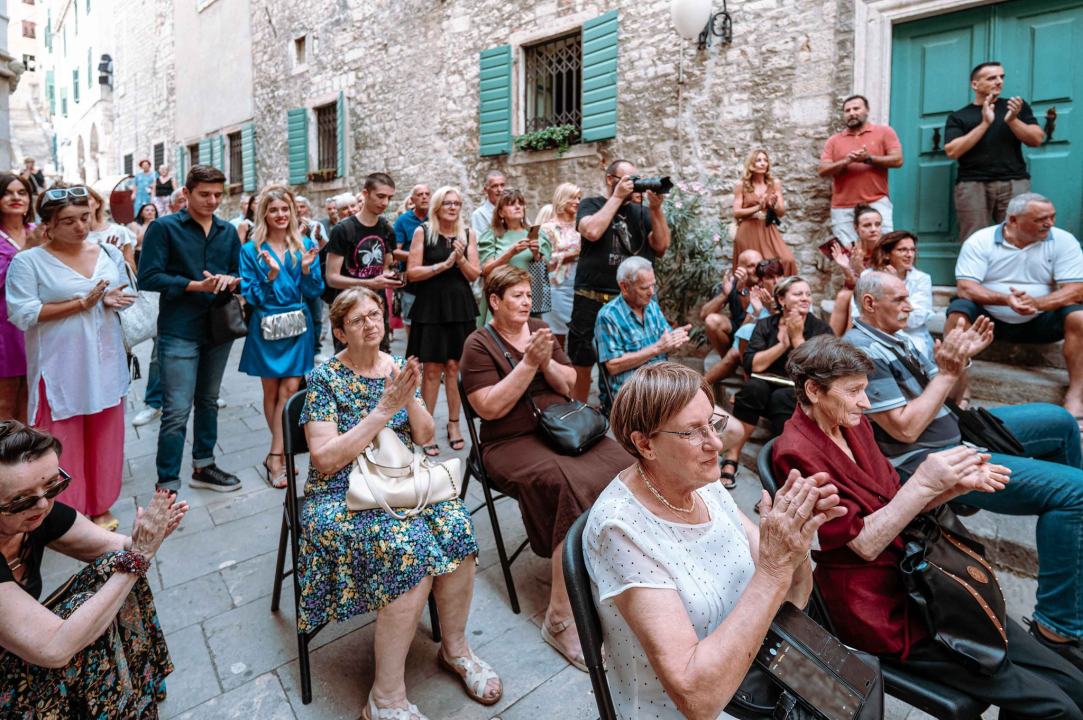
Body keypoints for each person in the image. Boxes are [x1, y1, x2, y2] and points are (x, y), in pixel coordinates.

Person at [773, 335, 1083, 714]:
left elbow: (898, 506)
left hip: (929, 582)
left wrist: (951, 487)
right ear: (813, 390)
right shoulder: (794, 453)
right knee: (1059, 709)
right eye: (853, 391)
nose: (866, 402)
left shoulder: (854, 425)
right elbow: (863, 545)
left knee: (1074, 685)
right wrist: (923, 483)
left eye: (865, 390)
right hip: (882, 605)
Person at [846, 270, 1083, 669]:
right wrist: (948, 372)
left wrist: (961, 361)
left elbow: (950, 396)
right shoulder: (860, 352)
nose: (911, 305)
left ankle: (1073, 544)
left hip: (956, 427)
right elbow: (905, 428)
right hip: (928, 459)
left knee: (1059, 421)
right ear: (870, 304)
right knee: (1076, 492)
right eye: (900, 299)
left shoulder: (900, 337)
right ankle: (1057, 628)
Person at [582, 361, 847, 719]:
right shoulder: (621, 530)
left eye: (713, 423)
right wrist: (772, 569)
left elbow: (794, 601)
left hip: (754, 677)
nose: (717, 443)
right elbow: (698, 700)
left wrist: (794, 549)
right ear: (645, 444)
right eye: (693, 431)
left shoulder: (703, 484)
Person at [300, 286, 501, 719]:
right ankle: (384, 698)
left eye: (376, 314)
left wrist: (406, 395)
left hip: (399, 482)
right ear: (339, 331)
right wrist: (382, 410)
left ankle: (456, 649)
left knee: (457, 528)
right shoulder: (323, 379)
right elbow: (325, 460)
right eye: (358, 320)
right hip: (341, 495)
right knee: (408, 551)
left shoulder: (393, 367)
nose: (372, 324)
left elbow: (426, 437)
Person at [460, 266, 633, 671]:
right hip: (510, 440)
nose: (525, 302)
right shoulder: (478, 343)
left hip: (562, 425)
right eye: (516, 296)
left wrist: (545, 362)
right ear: (495, 301)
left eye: (527, 295)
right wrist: (527, 365)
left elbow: (570, 384)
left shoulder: (539, 328)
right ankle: (558, 618)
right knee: (567, 485)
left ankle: (612, 559)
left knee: (626, 464)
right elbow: (488, 408)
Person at [0, 421, 190, 718]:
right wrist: (137, 557)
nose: (41, 503)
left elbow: (116, 548)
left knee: (112, 571)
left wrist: (144, 538)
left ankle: (138, 687)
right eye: (21, 499)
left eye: (52, 485)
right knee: (98, 596)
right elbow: (54, 647)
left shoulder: (37, 512)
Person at [7, 186, 137, 529]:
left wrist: (111, 300)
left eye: (85, 217)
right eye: (68, 221)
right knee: (61, 444)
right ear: (47, 225)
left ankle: (101, 504)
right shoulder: (28, 261)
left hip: (105, 362)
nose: (81, 227)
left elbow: (122, 292)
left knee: (106, 438)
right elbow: (22, 313)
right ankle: (67, 515)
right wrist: (79, 304)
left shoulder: (107, 253)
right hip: (59, 366)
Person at [137, 164, 242, 494]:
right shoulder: (163, 228)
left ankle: (204, 466)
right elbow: (148, 277)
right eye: (204, 194)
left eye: (217, 195)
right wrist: (196, 285)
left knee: (208, 402)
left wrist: (230, 280)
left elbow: (238, 274)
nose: (212, 201)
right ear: (186, 192)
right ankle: (167, 484)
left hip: (218, 329)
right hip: (178, 329)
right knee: (176, 411)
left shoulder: (227, 231)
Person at [944, 193, 1083, 418]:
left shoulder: (1063, 240)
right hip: (989, 322)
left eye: (1052, 217)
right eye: (1040, 219)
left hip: (1042, 320)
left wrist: (1038, 303)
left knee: (1079, 317)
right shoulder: (981, 240)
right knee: (959, 314)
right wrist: (1006, 299)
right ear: (1013, 220)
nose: (1049, 223)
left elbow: (1077, 290)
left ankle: (1076, 396)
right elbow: (966, 288)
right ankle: (960, 387)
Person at [238, 186, 323, 489]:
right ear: (264, 214)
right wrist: (271, 275)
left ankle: (276, 456)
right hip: (266, 325)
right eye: (273, 210)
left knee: (289, 390)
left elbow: (315, 292)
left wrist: (306, 269)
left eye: (285, 209)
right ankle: (280, 450)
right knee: (271, 392)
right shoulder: (251, 250)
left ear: (293, 211)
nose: (280, 215)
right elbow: (252, 296)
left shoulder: (306, 244)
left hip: (298, 325)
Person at [569, 159, 671, 402]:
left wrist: (656, 210)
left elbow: (661, 246)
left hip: (630, 301)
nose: (633, 186)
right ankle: (580, 418)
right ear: (610, 179)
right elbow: (592, 231)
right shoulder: (590, 204)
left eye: (636, 181)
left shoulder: (643, 212)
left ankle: (632, 409)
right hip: (591, 298)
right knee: (582, 361)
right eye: (628, 180)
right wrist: (616, 198)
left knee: (635, 358)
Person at [721, 275, 834, 489]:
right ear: (781, 300)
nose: (805, 299)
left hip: (797, 388)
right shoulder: (765, 325)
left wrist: (798, 338)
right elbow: (752, 365)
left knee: (783, 398)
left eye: (808, 294)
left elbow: (818, 370)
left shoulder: (820, 330)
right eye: (798, 294)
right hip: (764, 382)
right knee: (753, 388)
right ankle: (733, 454)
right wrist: (782, 345)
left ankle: (781, 472)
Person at [405, 187, 480, 456]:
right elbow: (412, 273)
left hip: (459, 307)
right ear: (438, 205)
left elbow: (474, 274)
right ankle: (426, 429)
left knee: (455, 366)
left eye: (457, 203)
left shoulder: (467, 234)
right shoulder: (423, 232)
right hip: (431, 306)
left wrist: (459, 259)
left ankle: (454, 425)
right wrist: (442, 265)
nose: (452, 207)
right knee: (432, 368)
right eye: (447, 203)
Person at [945, 62, 1045, 242]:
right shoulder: (959, 116)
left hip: (1014, 181)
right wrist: (984, 124)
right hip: (973, 185)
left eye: (1001, 77)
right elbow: (952, 150)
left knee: (1019, 238)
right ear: (975, 84)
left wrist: (1013, 120)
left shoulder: (1016, 107)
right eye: (992, 78)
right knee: (974, 242)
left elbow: (1036, 139)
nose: (999, 81)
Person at [595, 256, 690, 412]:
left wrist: (674, 342)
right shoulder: (608, 316)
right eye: (645, 288)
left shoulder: (652, 307)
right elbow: (613, 366)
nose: (651, 292)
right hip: (633, 393)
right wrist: (657, 348)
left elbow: (667, 345)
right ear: (625, 287)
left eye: (653, 285)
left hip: (661, 383)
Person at [324, 173, 402, 354]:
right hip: (348, 309)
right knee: (349, 368)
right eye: (380, 196)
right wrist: (369, 283)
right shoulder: (342, 230)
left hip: (376, 308)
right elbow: (332, 277)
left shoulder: (387, 229)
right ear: (365, 194)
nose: (385, 203)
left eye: (389, 198)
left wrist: (394, 278)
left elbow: (386, 268)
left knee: (379, 364)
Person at [818, 94, 903, 245]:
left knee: (884, 248)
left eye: (856, 108)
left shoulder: (884, 132)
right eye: (847, 110)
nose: (852, 113)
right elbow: (822, 170)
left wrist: (868, 158)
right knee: (849, 252)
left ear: (867, 110)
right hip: (843, 206)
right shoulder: (834, 140)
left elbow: (897, 160)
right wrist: (847, 161)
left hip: (876, 201)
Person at [858, 231, 934, 358]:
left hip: (912, 334)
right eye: (902, 250)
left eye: (912, 250)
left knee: (914, 352)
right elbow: (860, 312)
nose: (909, 255)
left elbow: (916, 318)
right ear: (887, 254)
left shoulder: (922, 279)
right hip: (875, 333)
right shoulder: (867, 276)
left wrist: (895, 284)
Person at [478, 189, 549, 325]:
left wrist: (536, 255)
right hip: (501, 296)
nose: (517, 206)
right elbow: (486, 271)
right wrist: (510, 253)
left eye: (520, 203)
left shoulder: (536, 234)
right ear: (500, 212)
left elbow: (547, 270)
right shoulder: (491, 235)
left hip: (528, 299)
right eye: (511, 204)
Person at [0, 174, 35, 424]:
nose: (15, 198)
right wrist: (25, 252)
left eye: (21, 192)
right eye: (8, 192)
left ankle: (28, 461)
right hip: (5, 330)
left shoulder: (40, 231)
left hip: (38, 323)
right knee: (5, 402)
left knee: (32, 402)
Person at [700, 248, 763, 384]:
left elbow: (750, 320)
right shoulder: (733, 282)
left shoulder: (764, 283)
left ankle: (733, 361)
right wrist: (724, 294)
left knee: (743, 338)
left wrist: (742, 292)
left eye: (759, 264)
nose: (756, 269)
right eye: (751, 266)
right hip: (738, 331)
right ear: (740, 269)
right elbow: (704, 314)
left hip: (757, 333)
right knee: (712, 321)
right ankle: (728, 361)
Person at [733, 149, 795, 275]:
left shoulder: (774, 183)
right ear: (751, 164)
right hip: (747, 230)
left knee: (788, 260)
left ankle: (783, 292)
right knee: (752, 269)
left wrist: (774, 205)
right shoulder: (742, 185)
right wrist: (758, 207)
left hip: (767, 229)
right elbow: (736, 212)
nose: (763, 163)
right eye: (758, 160)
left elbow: (781, 212)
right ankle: (747, 294)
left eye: (765, 160)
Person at [827, 203, 883, 336]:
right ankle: (829, 343)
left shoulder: (886, 249)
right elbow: (851, 285)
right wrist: (846, 268)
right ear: (856, 228)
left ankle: (848, 345)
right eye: (867, 225)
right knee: (843, 295)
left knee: (852, 297)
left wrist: (860, 268)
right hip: (857, 291)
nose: (873, 229)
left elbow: (879, 285)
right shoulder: (851, 248)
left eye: (877, 224)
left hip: (879, 293)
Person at [539, 183, 582, 349]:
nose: (577, 201)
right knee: (557, 335)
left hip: (581, 284)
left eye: (579, 197)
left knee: (580, 334)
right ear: (562, 199)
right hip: (558, 286)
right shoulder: (548, 228)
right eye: (573, 197)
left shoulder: (581, 224)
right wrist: (571, 254)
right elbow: (543, 260)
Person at [392, 184, 430, 339]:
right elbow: (395, 252)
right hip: (411, 280)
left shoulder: (436, 217)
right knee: (411, 319)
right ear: (412, 199)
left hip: (434, 278)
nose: (424, 197)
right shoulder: (403, 220)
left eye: (427, 194)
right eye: (420, 194)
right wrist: (417, 256)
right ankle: (413, 355)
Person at [86, 186, 136, 270]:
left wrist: (115, 255)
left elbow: (133, 272)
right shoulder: (71, 237)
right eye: (77, 201)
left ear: (98, 203)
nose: (83, 204)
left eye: (87, 199)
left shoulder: (119, 232)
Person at [471, 170, 505, 237]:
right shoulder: (479, 214)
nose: (500, 189)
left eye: (502, 185)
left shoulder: (514, 209)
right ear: (485, 190)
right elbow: (480, 243)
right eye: (495, 186)